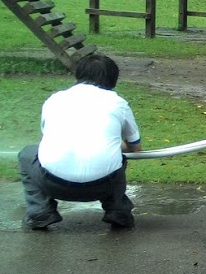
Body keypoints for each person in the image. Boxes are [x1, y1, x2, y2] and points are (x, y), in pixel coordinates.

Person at [18, 54, 140, 230]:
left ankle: (40, 211)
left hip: (53, 184)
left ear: (79, 74)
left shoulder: (55, 99)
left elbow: (47, 137)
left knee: (27, 154)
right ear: (113, 79)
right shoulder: (118, 103)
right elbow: (136, 147)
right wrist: (115, 144)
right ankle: (118, 210)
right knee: (119, 158)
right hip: (103, 185)